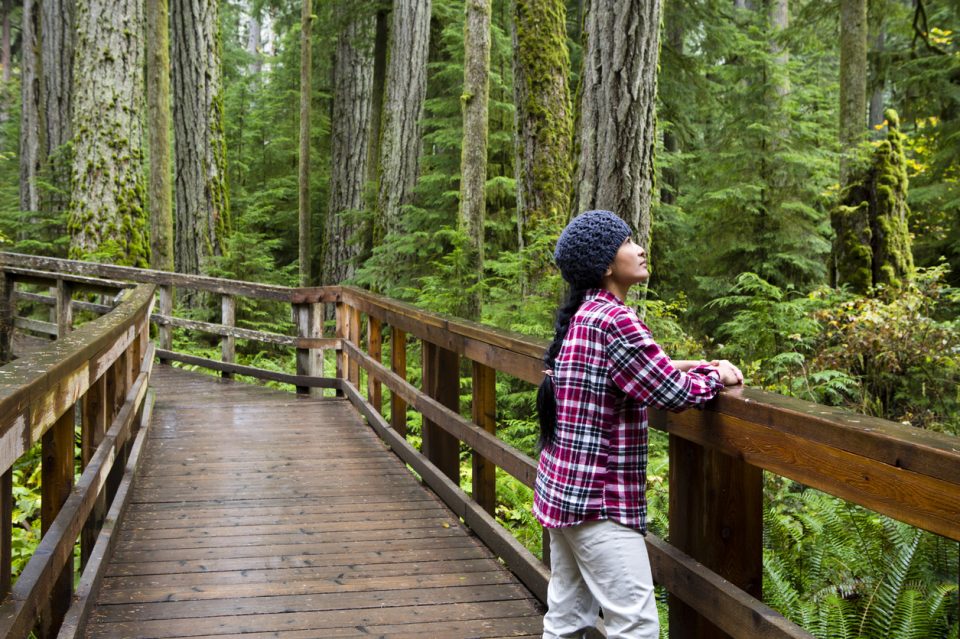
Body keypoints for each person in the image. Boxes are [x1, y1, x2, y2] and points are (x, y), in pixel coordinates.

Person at [534, 210, 743, 639]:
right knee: (636, 626)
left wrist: (699, 364)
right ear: (606, 264)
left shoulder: (588, 315)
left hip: (565, 492)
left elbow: (645, 366)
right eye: (628, 241)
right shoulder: (614, 320)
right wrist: (713, 377)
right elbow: (672, 390)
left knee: (567, 619)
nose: (641, 248)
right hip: (600, 502)